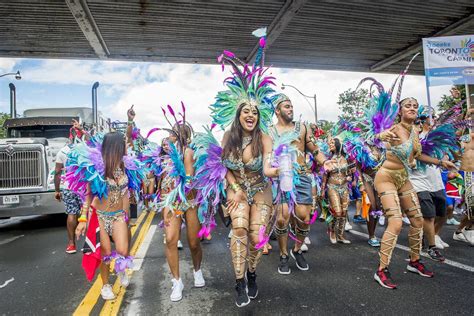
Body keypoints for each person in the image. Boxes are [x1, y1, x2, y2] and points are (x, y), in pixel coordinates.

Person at [373, 97, 455, 289]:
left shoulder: (414, 132)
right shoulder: (393, 129)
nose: (412, 108)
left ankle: (414, 261)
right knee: (396, 222)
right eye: (407, 106)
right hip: (386, 178)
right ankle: (381, 270)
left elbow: (418, 156)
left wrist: (441, 162)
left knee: (418, 221)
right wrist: (379, 136)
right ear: (400, 111)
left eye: (415, 106)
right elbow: (375, 138)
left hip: (404, 179)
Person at [72, 132, 144, 300]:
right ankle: (105, 285)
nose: (127, 145)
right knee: (105, 253)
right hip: (101, 216)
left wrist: (126, 216)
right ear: (116, 146)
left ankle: (120, 270)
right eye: (124, 143)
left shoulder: (126, 166)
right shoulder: (97, 167)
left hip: (119, 216)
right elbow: (88, 195)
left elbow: (127, 192)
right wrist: (83, 219)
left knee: (122, 250)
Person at [271, 94, 332, 274]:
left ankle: (296, 250)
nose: (291, 109)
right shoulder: (269, 131)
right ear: (277, 110)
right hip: (280, 177)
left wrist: (324, 161)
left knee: (304, 218)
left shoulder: (302, 128)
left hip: (302, 176)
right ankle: (283, 255)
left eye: (291, 106)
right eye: (287, 106)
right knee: (282, 218)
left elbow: (314, 149)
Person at [54, 119, 86, 254]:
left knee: (71, 214)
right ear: (80, 135)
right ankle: (88, 244)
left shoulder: (62, 151)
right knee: (87, 214)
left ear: (69, 136)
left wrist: (57, 190)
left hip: (68, 187)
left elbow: (57, 172)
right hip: (84, 187)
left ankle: (71, 244)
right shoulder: (85, 148)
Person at [321, 137, 354, 244]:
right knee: (337, 212)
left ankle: (340, 236)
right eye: (329, 143)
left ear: (338, 144)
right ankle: (332, 231)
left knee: (344, 212)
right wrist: (322, 190)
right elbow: (325, 176)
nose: (330, 145)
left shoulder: (346, 158)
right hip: (332, 188)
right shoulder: (328, 159)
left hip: (344, 188)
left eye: (332, 143)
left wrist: (350, 177)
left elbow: (350, 172)